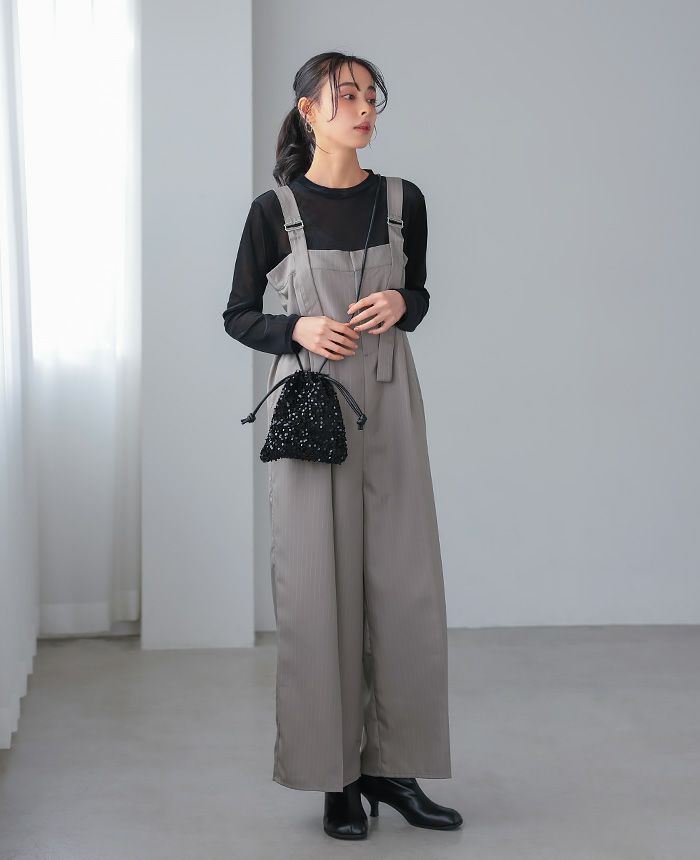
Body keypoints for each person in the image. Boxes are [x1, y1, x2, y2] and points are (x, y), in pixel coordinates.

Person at [223, 51, 463, 840]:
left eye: (370, 97)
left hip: (391, 404)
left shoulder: (403, 200)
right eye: (346, 96)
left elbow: (419, 294)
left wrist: (404, 302)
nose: (363, 109)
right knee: (317, 591)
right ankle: (336, 779)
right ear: (308, 110)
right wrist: (295, 327)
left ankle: (394, 769)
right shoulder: (274, 210)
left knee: (405, 588)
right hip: (312, 410)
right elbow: (237, 314)